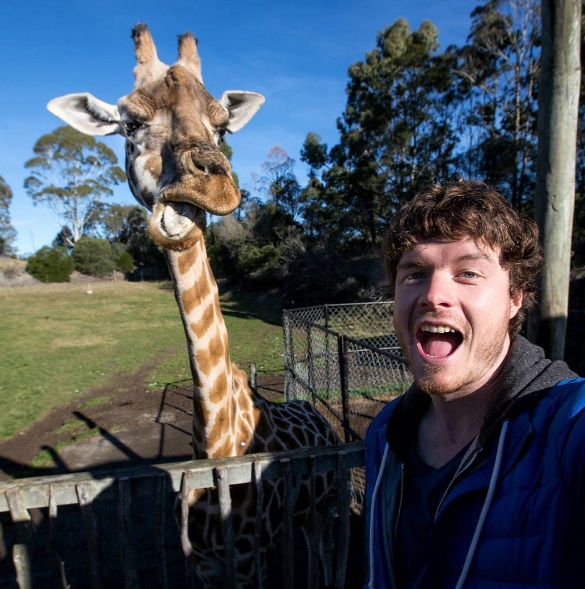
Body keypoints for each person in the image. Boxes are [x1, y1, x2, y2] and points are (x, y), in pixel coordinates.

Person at [364, 180, 585, 589]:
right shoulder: (386, 433)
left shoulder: (567, 424)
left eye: (467, 273)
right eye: (414, 273)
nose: (434, 295)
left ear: (515, 296)